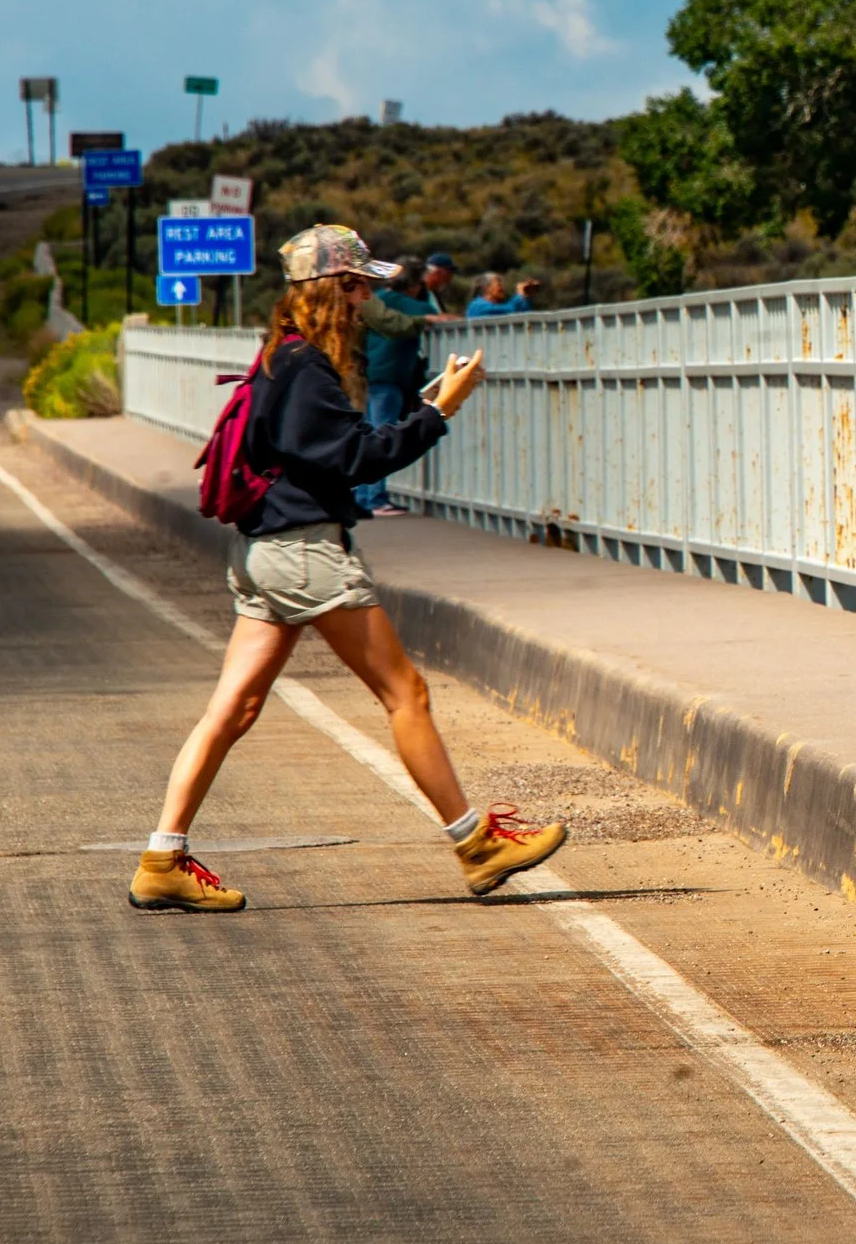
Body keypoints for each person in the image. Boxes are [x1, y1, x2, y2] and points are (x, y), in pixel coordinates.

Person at [128, 224, 568, 912]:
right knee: (405, 694)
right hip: (305, 554)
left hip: (265, 553)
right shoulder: (305, 368)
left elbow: (335, 447)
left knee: (233, 708)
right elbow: (358, 458)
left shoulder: (280, 356)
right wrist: (437, 410)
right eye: (360, 285)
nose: (367, 298)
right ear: (338, 289)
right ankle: (476, 845)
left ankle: (163, 857)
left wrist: (419, 409)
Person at [353, 263, 443, 518]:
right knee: (382, 432)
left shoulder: (378, 298)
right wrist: (428, 313)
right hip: (388, 377)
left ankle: (362, 497)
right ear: (415, 286)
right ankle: (376, 499)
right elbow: (401, 319)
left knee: (367, 430)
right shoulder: (404, 305)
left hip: (367, 376)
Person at [466, 270, 541, 318]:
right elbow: (510, 310)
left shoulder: (495, 306)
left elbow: (525, 316)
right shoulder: (477, 306)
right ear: (486, 288)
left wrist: (526, 297)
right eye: (499, 285)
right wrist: (519, 295)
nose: (503, 288)